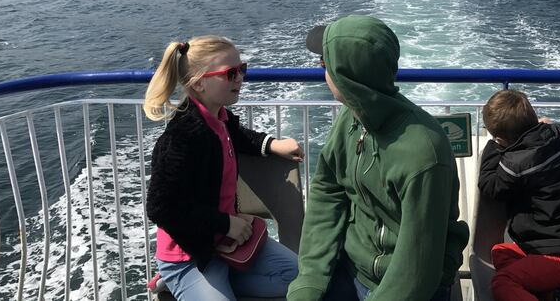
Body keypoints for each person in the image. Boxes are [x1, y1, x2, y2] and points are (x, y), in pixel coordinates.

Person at [288, 15, 469, 301]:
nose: (322, 72)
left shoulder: (423, 153)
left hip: (411, 289)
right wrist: (310, 279)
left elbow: (416, 272)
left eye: (324, 64)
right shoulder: (351, 119)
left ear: (345, 77)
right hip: (353, 271)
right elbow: (328, 192)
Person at [144, 36, 302, 301]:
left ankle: (218, 287)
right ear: (199, 83)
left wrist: (272, 144)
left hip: (226, 244)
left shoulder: (219, 118)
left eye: (242, 69)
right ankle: (175, 282)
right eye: (230, 73)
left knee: (299, 278)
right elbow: (160, 207)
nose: (240, 78)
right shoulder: (182, 138)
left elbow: (238, 136)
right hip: (190, 255)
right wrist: (226, 223)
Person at [478, 89, 560, 301]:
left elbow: (490, 185)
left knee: (503, 282)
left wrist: (492, 146)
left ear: (501, 138)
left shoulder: (515, 164)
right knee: (501, 252)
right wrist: (549, 127)